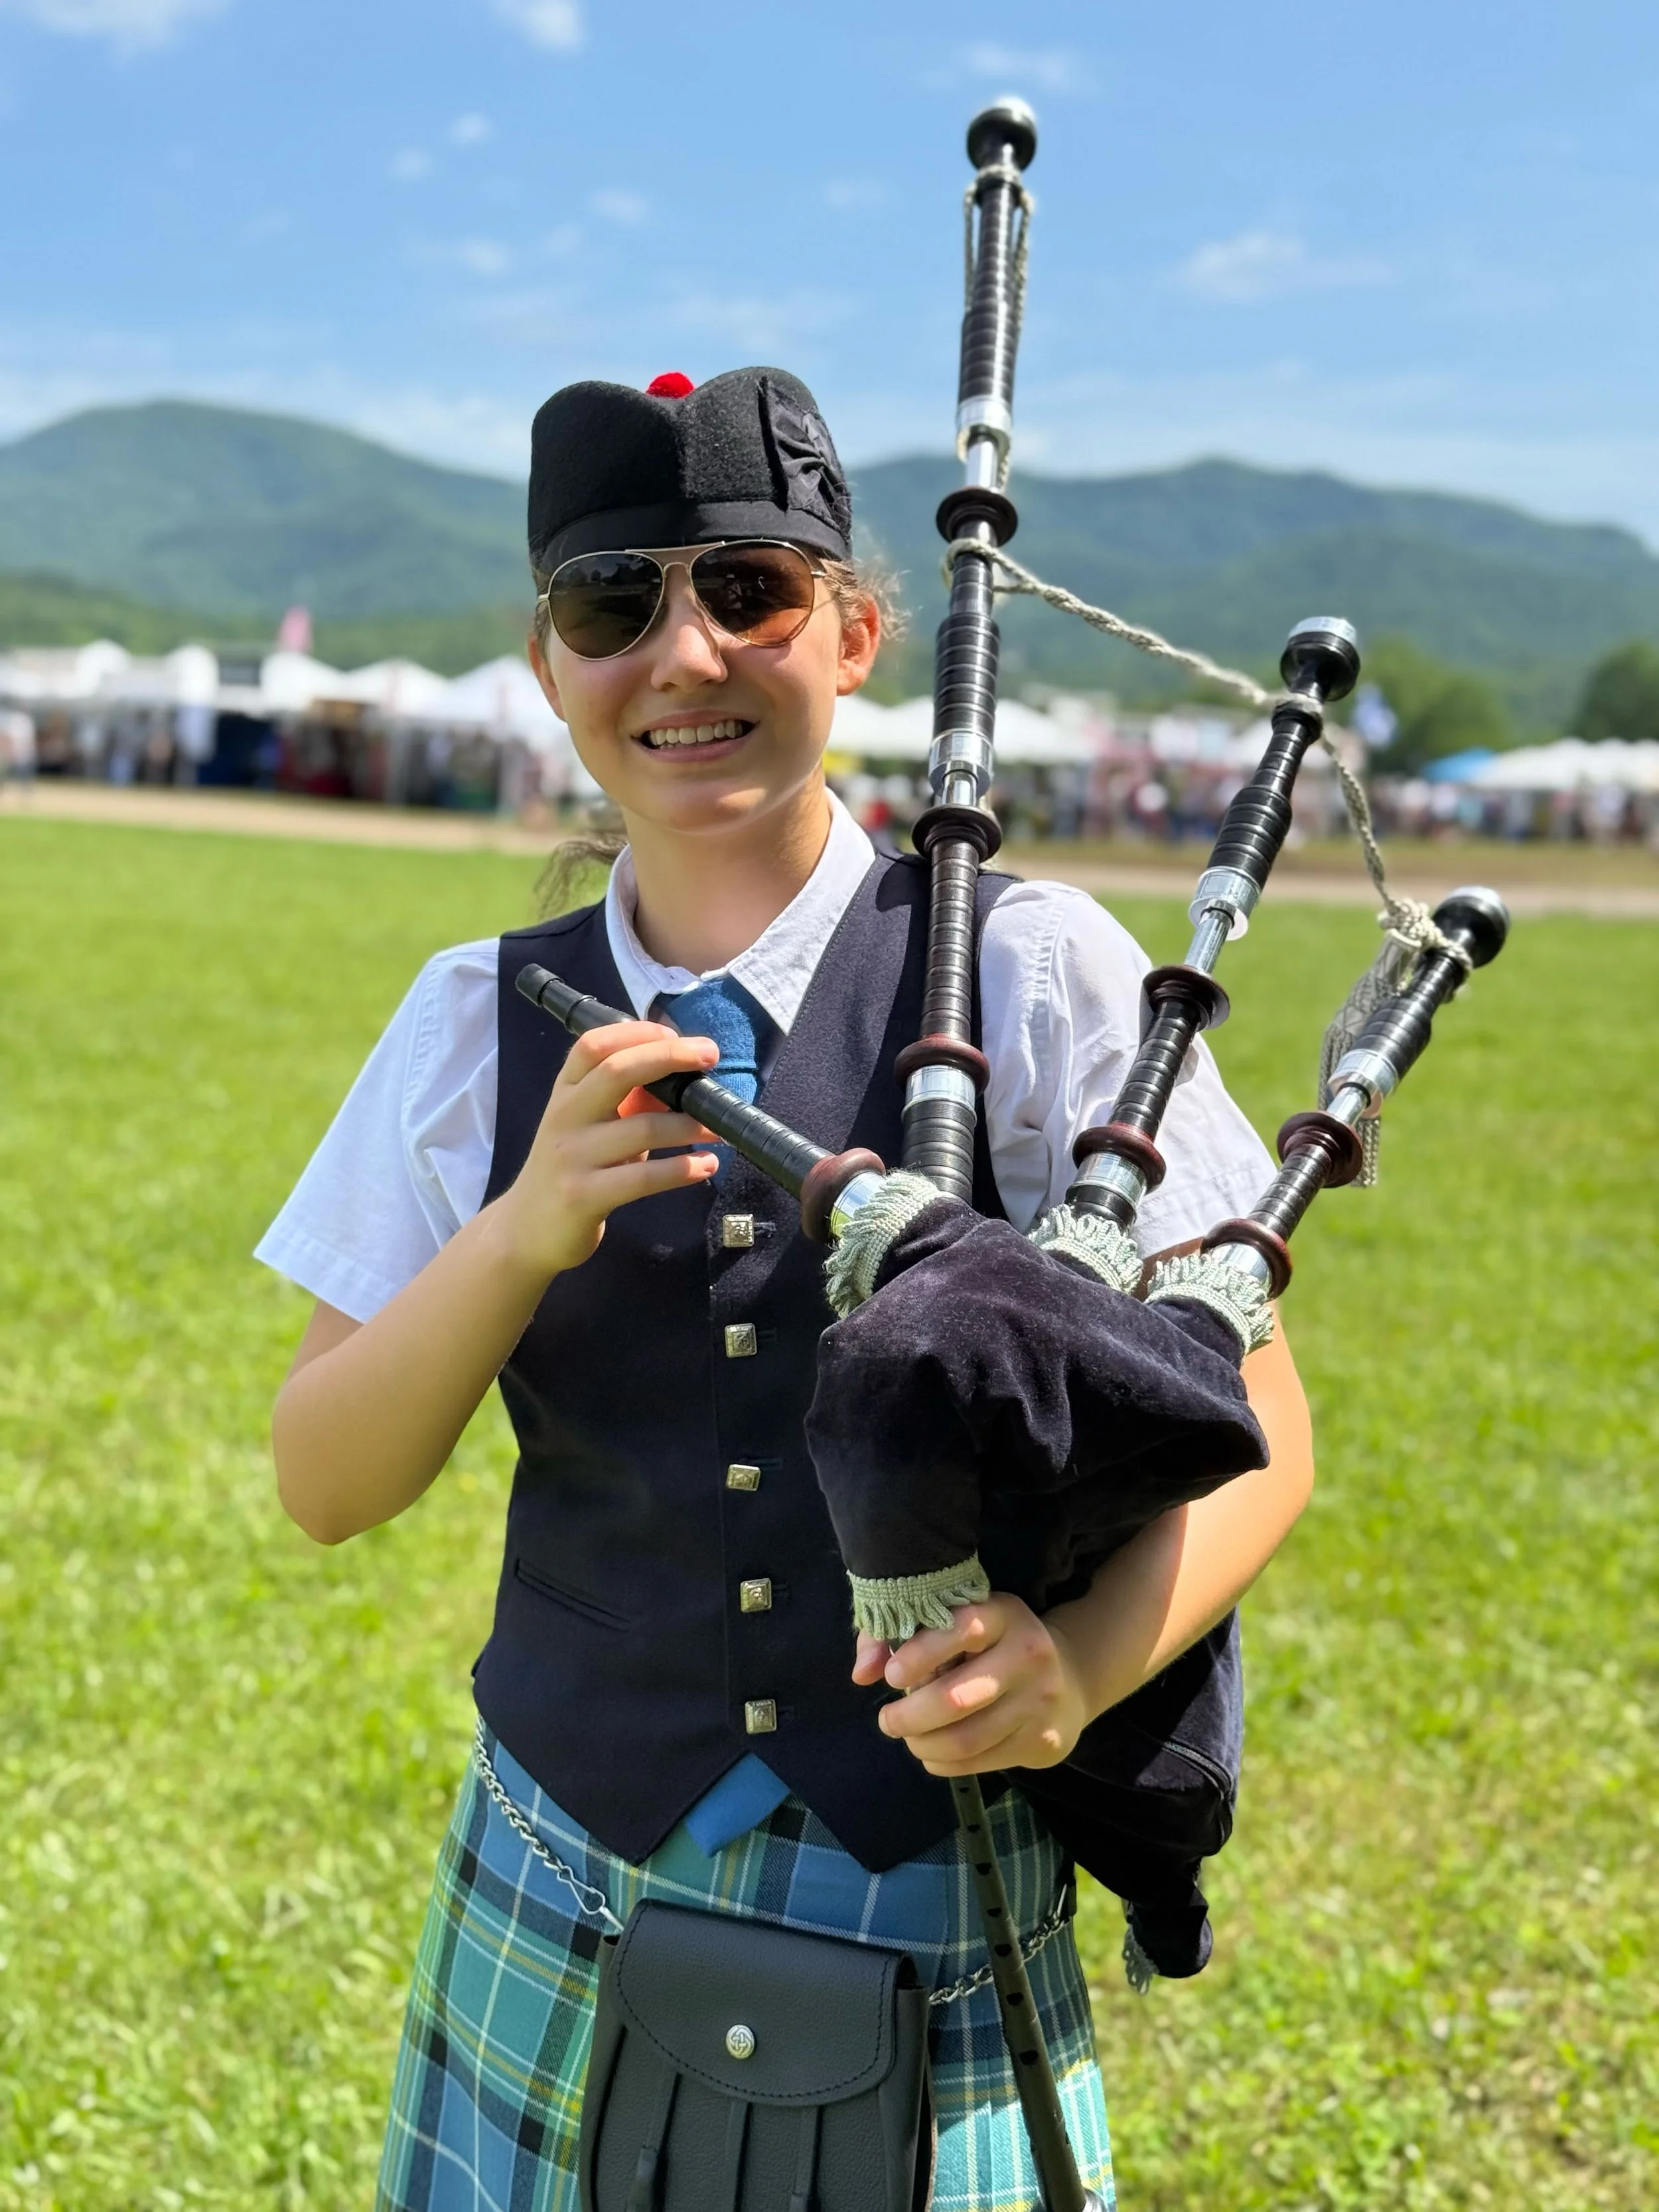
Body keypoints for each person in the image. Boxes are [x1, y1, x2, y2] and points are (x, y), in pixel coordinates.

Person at [259, 366, 1315, 2212]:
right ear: (544, 665)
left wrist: (1074, 1668)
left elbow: (1259, 1432)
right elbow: (325, 1480)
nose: (681, 655)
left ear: (850, 631)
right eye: (612, 605)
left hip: (932, 1884)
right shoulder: (467, 1019)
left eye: (744, 588)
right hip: (560, 1859)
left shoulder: (1033, 967)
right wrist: (518, 1231)